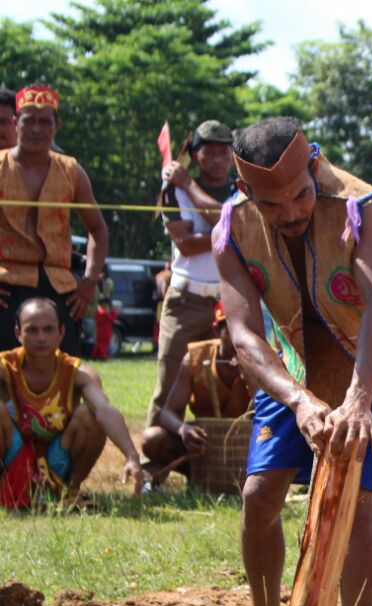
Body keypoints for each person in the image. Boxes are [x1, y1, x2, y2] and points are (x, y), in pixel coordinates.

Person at [207, 117, 372, 606]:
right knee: (259, 494)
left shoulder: (361, 206)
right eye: (272, 204)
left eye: (300, 195)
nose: (290, 213)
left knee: (353, 499)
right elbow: (245, 335)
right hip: (292, 365)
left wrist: (358, 399)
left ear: (314, 166)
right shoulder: (231, 227)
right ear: (246, 192)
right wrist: (300, 400)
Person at [1, 297, 144, 507]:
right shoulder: (5, 366)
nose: (41, 337)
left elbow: (104, 410)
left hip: (58, 460)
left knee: (91, 415)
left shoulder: (79, 373)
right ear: (18, 333)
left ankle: (70, 491)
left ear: (61, 333)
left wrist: (131, 455)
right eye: (32, 330)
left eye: (48, 329)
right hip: (14, 457)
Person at [0, 86, 109, 357]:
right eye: (29, 120)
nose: (37, 129)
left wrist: (89, 280)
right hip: (6, 283)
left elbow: (97, 228)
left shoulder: (71, 170)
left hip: (59, 284)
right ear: (16, 122)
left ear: (56, 126)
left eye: (45, 121)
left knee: (63, 370)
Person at [147, 120, 238, 428]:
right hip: (185, 300)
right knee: (169, 382)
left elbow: (232, 228)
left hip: (228, 305)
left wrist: (190, 185)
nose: (217, 159)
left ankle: (218, 460)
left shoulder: (241, 190)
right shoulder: (172, 190)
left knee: (227, 382)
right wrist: (226, 231)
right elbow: (185, 245)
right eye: (208, 152)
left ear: (232, 156)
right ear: (194, 155)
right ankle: (151, 464)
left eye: (224, 152)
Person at [139, 303, 250, 484]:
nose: (237, 340)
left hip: (245, 446)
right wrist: (183, 430)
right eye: (230, 332)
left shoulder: (257, 359)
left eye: (242, 332)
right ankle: (201, 475)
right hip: (204, 447)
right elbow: (167, 413)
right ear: (216, 331)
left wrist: (250, 378)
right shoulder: (195, 357)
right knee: (152, 439)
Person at [90, 295, 117, 360]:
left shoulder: (100, 312)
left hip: (105, 332)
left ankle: (96, 356)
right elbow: (111, 317)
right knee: (103, 346)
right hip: (103, 333)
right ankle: (103, 357)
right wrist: (109, 312)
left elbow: (113, 317)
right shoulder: (101, 312)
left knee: (101, 346)